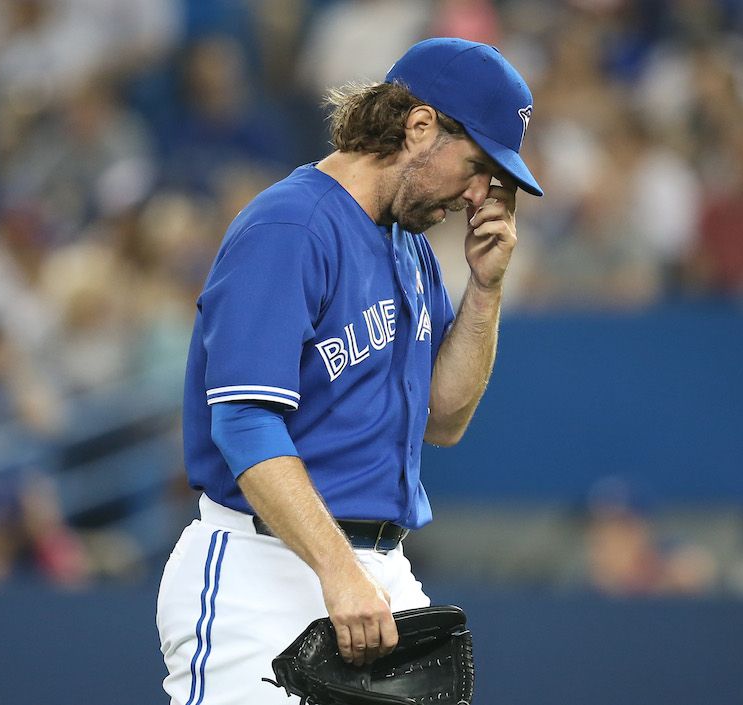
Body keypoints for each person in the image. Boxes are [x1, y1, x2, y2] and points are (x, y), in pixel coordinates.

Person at [156, 37, 542, 705]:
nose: (484, 192)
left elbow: (444, 420)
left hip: (377, 571)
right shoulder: (291, 225)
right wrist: (337, 569)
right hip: (264, 569)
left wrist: (484, 289)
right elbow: (245, 424)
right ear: (420, 126)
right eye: (478, 164)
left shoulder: (411, 250)